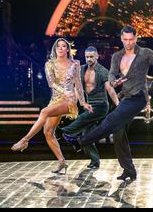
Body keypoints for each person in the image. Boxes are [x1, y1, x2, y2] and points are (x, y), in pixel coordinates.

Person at [63, 26, 153, 181]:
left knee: (110, 121)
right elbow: (111, 74)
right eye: (125, 40)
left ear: (136, 38)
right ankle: (129, 171)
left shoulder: (145, 53)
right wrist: (113, 81)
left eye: (131, 39)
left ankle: (80, 142)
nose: (128, 43)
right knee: (118, 133)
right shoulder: (116, 56)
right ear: (122, 39)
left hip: (138, 97)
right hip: (125, 97)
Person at [11, 38, 93, 174]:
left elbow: (78, 84)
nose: (60, 48)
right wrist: (63, 91)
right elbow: (51, 83)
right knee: (48, 132)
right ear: (55, 49)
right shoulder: (49, 64)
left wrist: (83, 102)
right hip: (55, 100)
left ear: (68, 49)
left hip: (69, 101)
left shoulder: (75, 63)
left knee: (44, 112)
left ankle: (25, 140)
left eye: (63, 46)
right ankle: (62, 162)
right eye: (58, 46)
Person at [60, 46, 119, 169]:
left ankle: (65, 133)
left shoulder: (102, 71)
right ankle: (94, 161)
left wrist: (118, 105)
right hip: (89, 105)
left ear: (97, 56)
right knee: (87, 135)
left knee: (82, 119)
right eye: (87, 57)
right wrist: (78, 102)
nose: (89, 59)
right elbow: (77, 88)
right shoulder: (81, 70)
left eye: (92, 56)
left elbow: (110, 90)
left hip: (101, 106)